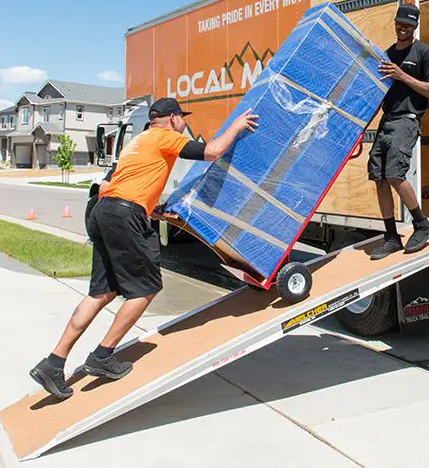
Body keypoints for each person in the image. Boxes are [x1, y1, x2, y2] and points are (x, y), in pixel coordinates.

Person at [29, 97, 258, 399]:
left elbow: (116, 183)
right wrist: (238, 126)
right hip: (123, 214)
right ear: (174, 119)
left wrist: (148, 207)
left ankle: (53, 363)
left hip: (102, 210)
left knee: (101, 292)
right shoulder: (166, 136)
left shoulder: (137, 142)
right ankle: (102, 356)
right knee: (146, 288)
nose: (184, 124)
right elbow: (212, 152)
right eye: (183, 119)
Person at [369, 3, 429, 260]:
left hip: (407, 120)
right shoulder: (388, 54)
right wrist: (361, 126)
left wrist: (404, 76)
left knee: (394, 174)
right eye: (400, 23)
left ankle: (421, 224)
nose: (403, 28)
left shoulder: (424, 53)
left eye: (409, 25)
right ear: (395, 22)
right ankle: (391, 237)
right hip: (386, 120)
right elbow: (379, 93)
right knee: (379, 177)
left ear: (415, 27)